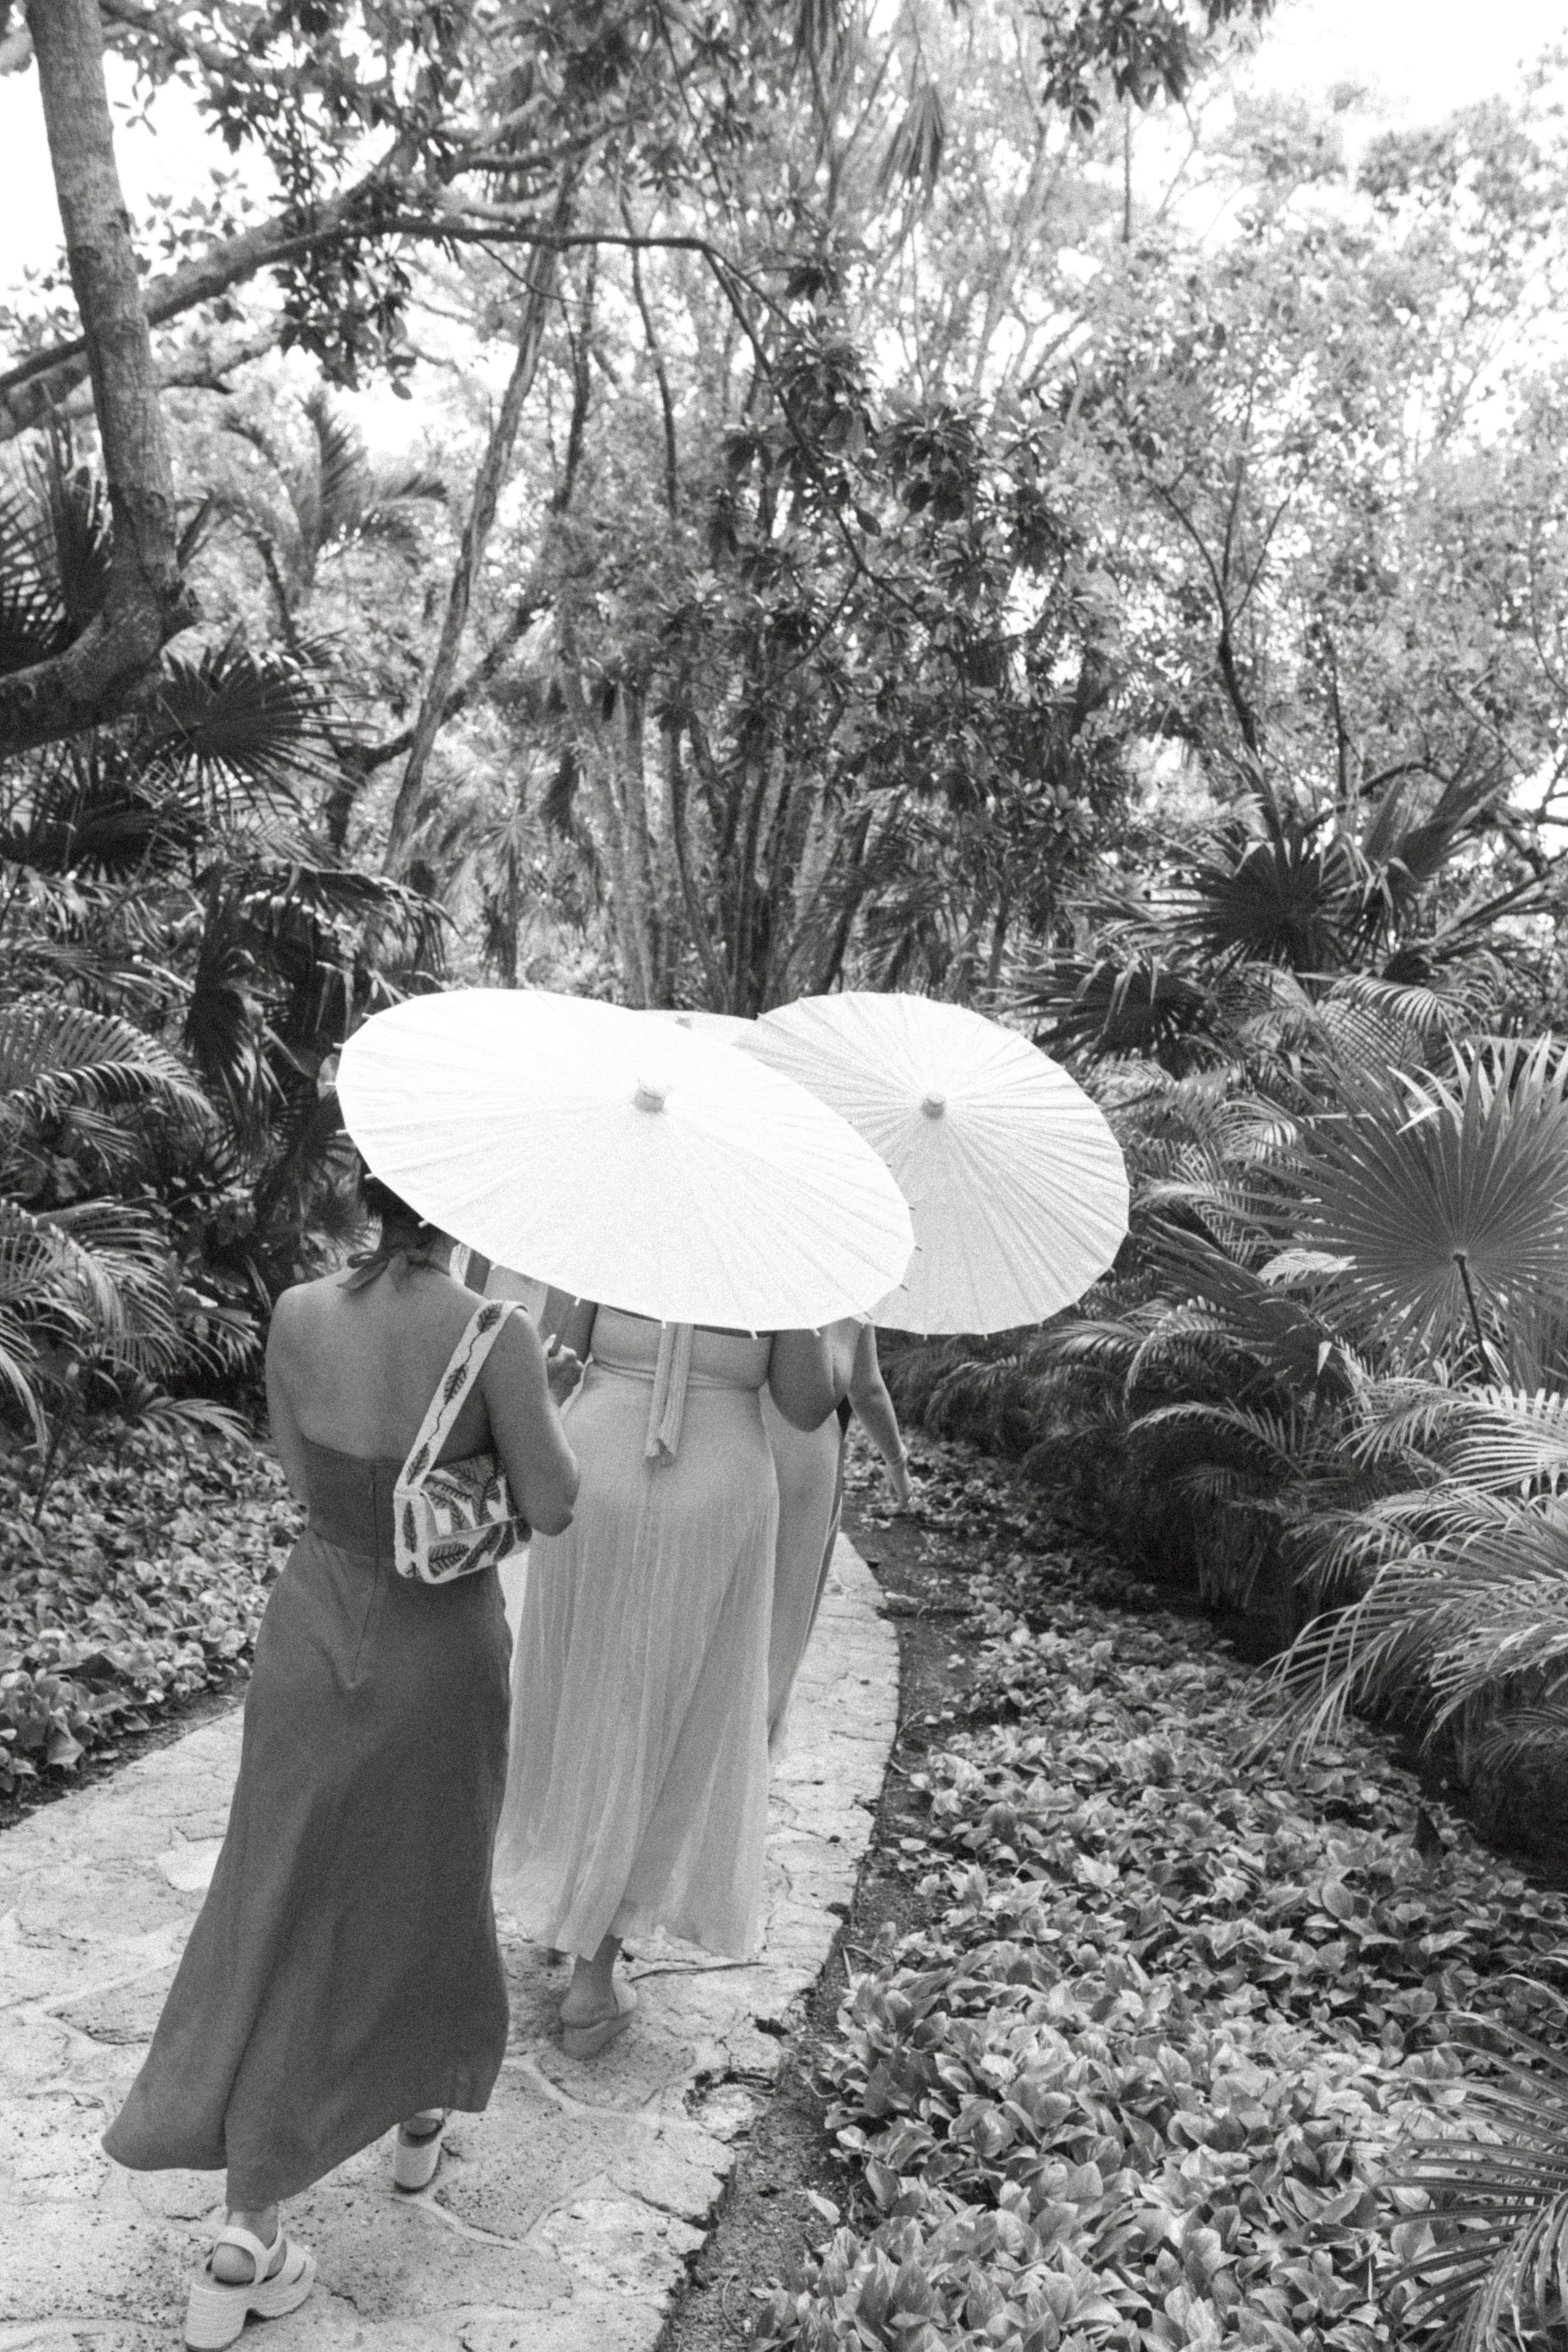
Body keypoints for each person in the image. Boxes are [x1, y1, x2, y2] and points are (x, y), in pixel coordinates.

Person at [103, 1173, 581, 2350]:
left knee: (279, 1890)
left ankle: (252, 2221)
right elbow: (555, 1504)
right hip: (439, 1651)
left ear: (373, 1192)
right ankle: (406, 2117)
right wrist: (544, 1402)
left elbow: (301, 1473)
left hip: (312, 1628)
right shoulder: (498, 1335)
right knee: (428, 1879)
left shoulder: (299, 1311)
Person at [492, 1297, 838, 2055]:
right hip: (715, 1490)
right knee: (668, 1716)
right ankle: (592, 1976)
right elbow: (807, 1405)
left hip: (597, 1469)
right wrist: (807, 1300)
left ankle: (563, 1892)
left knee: (575, 1692)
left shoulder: (626, 1207)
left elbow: (558, 1347)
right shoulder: (770, 1244)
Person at [763, 1317, 913, 1755]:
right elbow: (865, 1388)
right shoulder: (836, 1268)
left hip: (730, 1427)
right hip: (805, 1454)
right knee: (783, 1611)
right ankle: (754, 1743)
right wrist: (897, 1464)